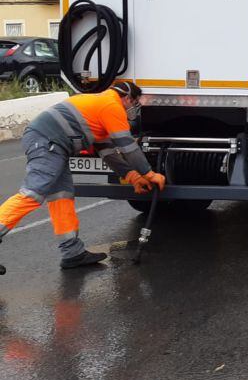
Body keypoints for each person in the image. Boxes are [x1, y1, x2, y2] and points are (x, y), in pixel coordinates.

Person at [0, 81, 164, 274]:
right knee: (34, 192)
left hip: (51, 142)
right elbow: (128, 146)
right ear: (128, 98)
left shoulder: (100, 106)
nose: (133, 109)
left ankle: (72, 253)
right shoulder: (112, 106)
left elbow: (108, 152)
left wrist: (134, 177)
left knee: (62, 196)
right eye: (135, 103)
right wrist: (149, 173)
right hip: (47, 141)